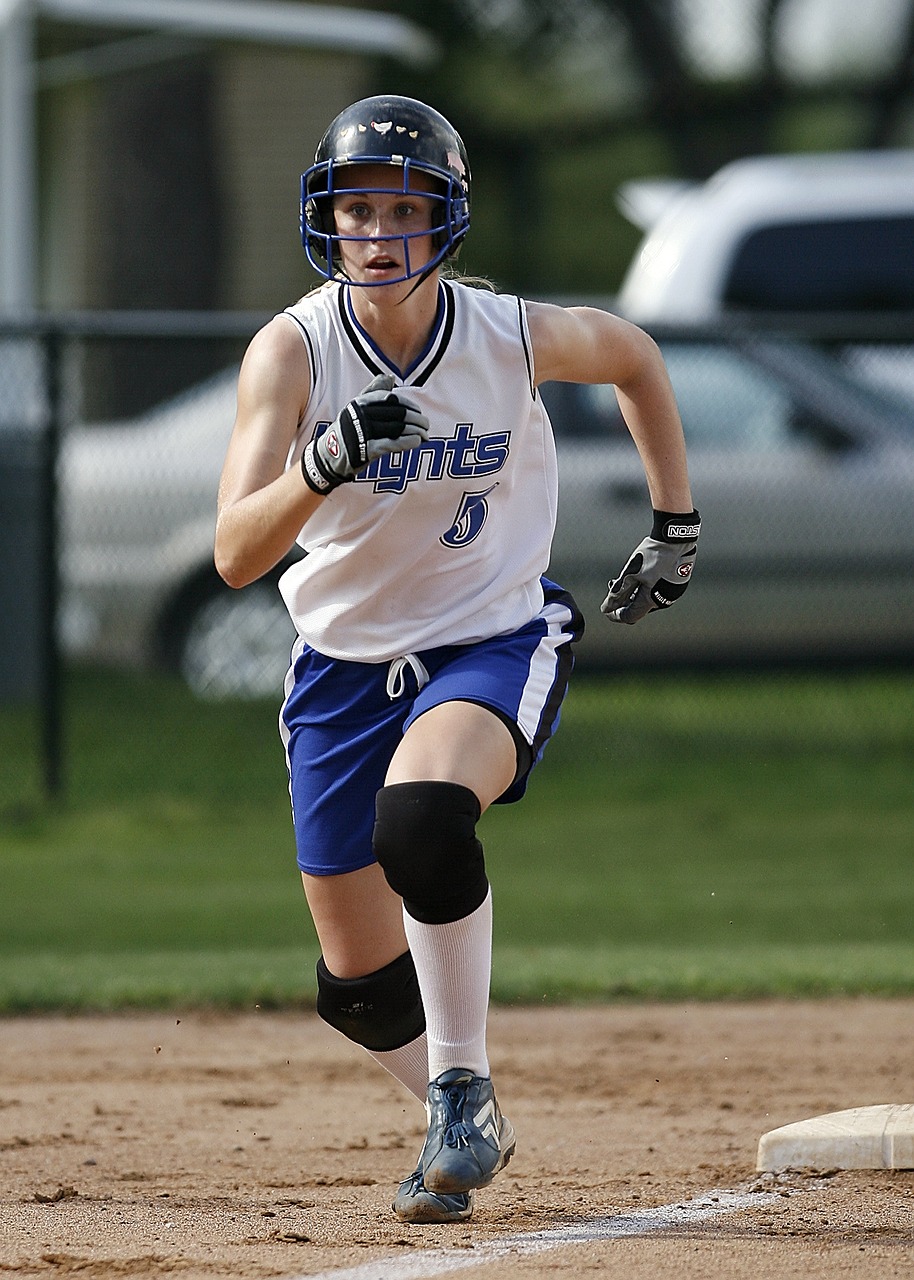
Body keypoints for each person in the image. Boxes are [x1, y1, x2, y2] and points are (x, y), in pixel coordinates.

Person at [214, 95, 699, 1225]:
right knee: (354, 988)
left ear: (446, 221)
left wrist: (674, 525)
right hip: (340, 667)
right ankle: (456, 1101)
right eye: (355, 209)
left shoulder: (504, 333)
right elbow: (238, 551)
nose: (376, 233)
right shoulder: (292, 350)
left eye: (403, 208)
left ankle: (458, 1086)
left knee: (423, 819)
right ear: (324, 220)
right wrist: (323, 461)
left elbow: (630, 354)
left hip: (488, 635)